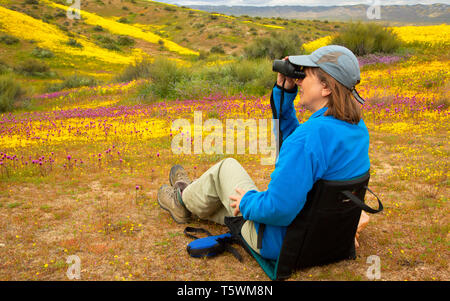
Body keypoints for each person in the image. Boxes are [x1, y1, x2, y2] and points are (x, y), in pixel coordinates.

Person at [157, 45, 371, 261]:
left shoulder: (307, 139)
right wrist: (284, 95)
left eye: (305, 75)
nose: (298, 80)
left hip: (282, 242)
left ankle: (182, 199)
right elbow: (298, 147)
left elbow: (279, 209)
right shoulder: (357, 129)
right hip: (324, 238)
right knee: (226, 198)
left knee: (226, 168)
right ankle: (192, 191)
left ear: (326, 87)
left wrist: (246, 202)